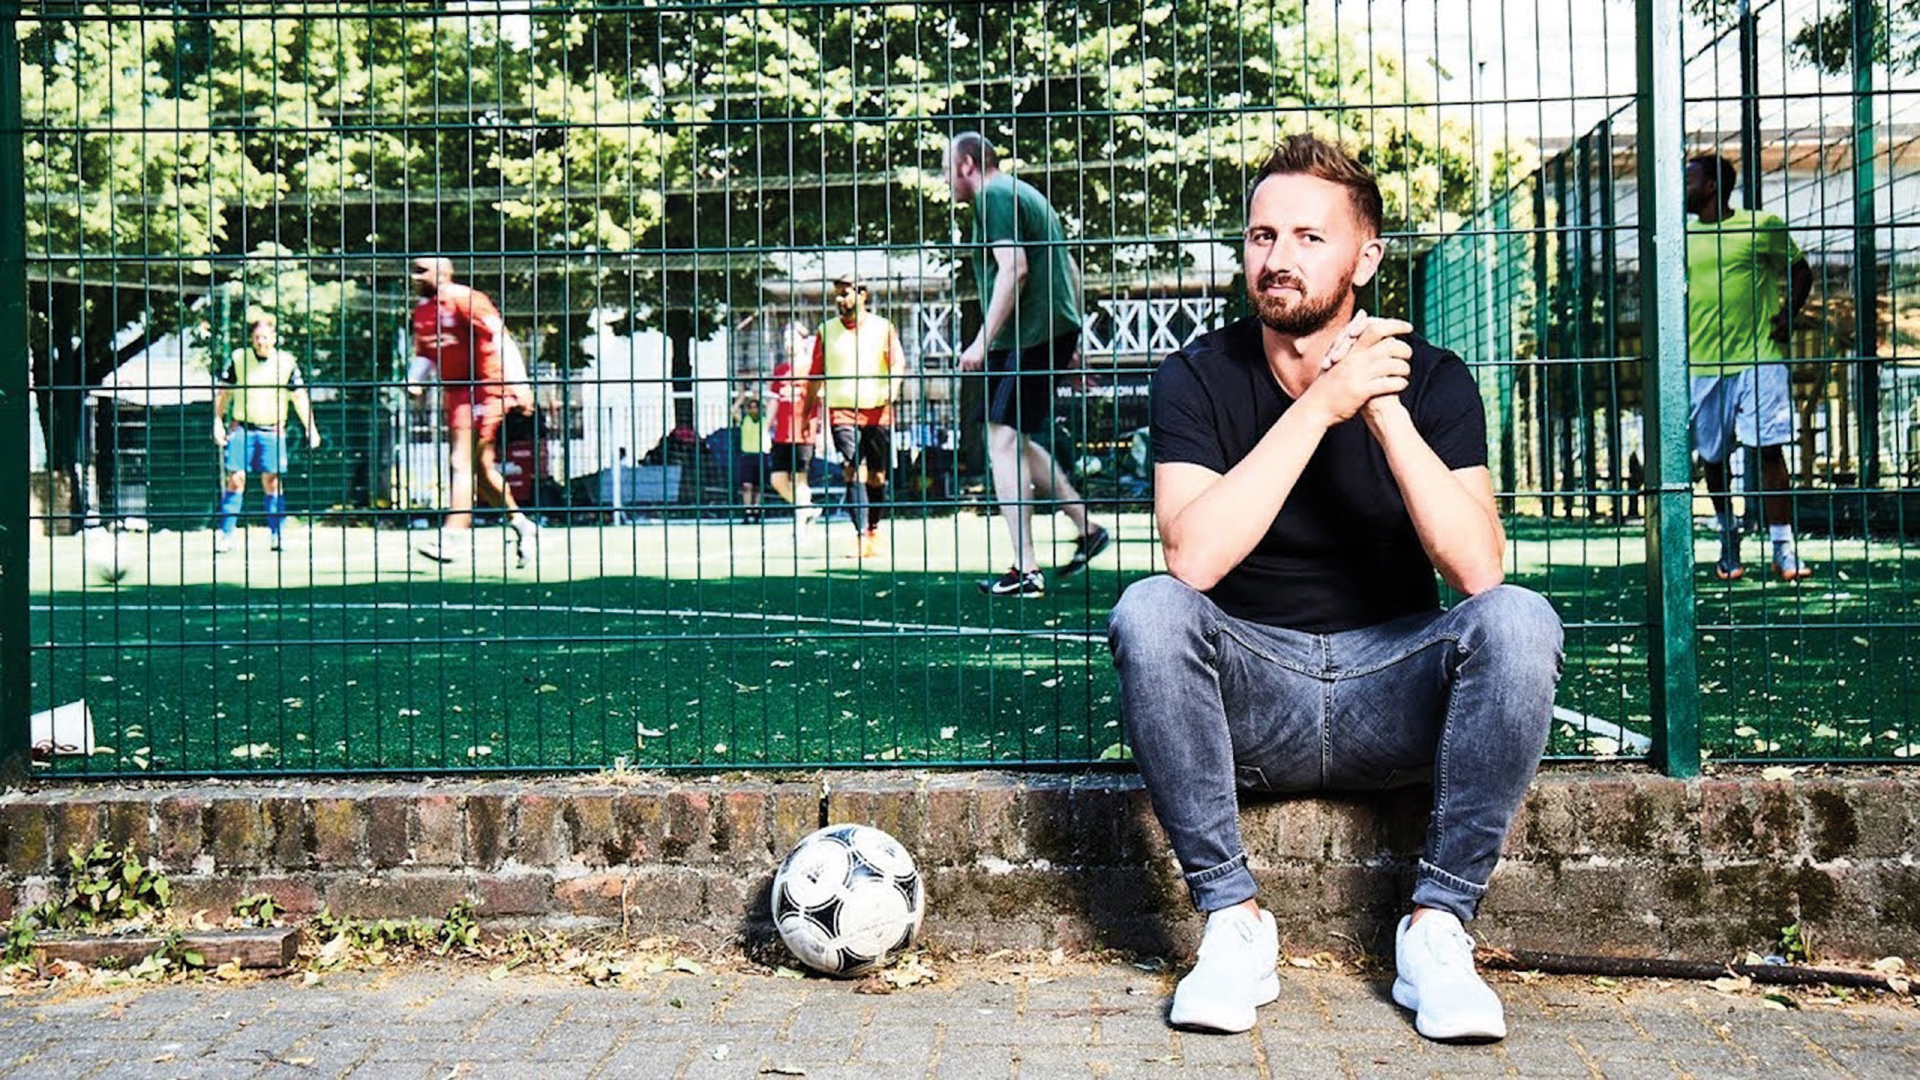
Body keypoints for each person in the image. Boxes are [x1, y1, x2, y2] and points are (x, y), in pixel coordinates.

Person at [1105, 135, 1563, 1041]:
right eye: (1262, 235)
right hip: (1254, 701)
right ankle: (1234, 922)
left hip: (1393, 691)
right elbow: (1191, 561)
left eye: (1310, 238)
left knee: (1519, 620)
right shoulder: (1195, 377)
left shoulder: (1433, 379)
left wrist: (1379, 405)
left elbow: (1477, 571)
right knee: (1149, 609)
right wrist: (1320, 402)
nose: (1278, 259)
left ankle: (1437, 931)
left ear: (1367, 254)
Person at [944, 132, 1109, 597]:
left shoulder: (995, 195)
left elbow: (1013, 269)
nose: (944, 179)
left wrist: (981, 341)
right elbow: (1068, 268)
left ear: (968, 165)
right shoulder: (1021, 193)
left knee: (1001, 439)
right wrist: (1069, 338)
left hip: (1028, 335)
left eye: (946, 168)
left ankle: (1026, 569)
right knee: (1014, 437)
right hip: (1047, 332)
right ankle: (1086, 526)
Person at [1685, 154, 1815, 581]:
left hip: (1760, 358)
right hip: (1703, 363)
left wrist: (1789, 315)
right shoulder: (1679, 234)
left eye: (1689, 179)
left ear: (1709, 187)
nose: (1682, 187)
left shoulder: (1761, 227)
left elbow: (1801, 270)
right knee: (1712, 457)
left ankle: (1784, 550)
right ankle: (1729, 538)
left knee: (1770, 450)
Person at [407, 256, 538, 568]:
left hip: (486, 387)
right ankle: (523, 526)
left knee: (460, 460)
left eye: (421, 271)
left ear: (442, 274)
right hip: (455, 393)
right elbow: (426, 353)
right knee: (481, 472)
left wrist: (520, 383)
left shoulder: (469, 301)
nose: (414, 277)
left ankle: (453, 537)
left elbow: (500, 338)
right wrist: (413, 381)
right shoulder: (423, 312)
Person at [801, 275, 905, 559]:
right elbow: (815, 376)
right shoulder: (826, 330)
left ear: (862, 295)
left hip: (878, 411)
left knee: (877, 476)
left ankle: (873, 528)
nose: (839, 299)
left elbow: (898, 363)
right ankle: (860, 536)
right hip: (842, 411)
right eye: (836, 294)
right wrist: (806, 411)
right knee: (852, 468)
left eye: (845, 293)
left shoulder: (883, 328)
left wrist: (892, 389)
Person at [211, 314, 321, 554]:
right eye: (256, 337)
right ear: (251, 339)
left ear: (274, 338)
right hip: (242, 428)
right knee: (235, 479)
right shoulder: (239, 359)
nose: (261, 341)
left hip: (273, 429)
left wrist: (310, 428)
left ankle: (277, 534)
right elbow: (224, 392)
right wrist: (217, 421)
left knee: (272, 482)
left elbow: (299, 397)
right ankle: (226, 535)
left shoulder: (287, 362)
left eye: (265, 337)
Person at [767, 349, 822, 525]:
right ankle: (808, 510)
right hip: (782, 434)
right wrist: (764, 429)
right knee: (777, 479)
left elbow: (821, 402)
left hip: (804, 433)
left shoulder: (811, 369)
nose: (787, 343)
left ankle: (800, 527)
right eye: (785, 338)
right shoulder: (780, 370)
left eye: (792, 338)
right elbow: (774, 401)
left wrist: (824, 433)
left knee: (800, 479)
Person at [732, 388, 770, 523]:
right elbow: (733, 411)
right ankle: (747, 511)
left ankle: (757, 509)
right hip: (747, 456)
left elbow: (770, 407)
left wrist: (758, 396)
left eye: (756, 407)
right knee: (746, 485)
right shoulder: (744, 420)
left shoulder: (764, 420)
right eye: (751, 407)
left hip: (761, 455)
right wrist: (741, 398)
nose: (754, 410)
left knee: (758, 486)